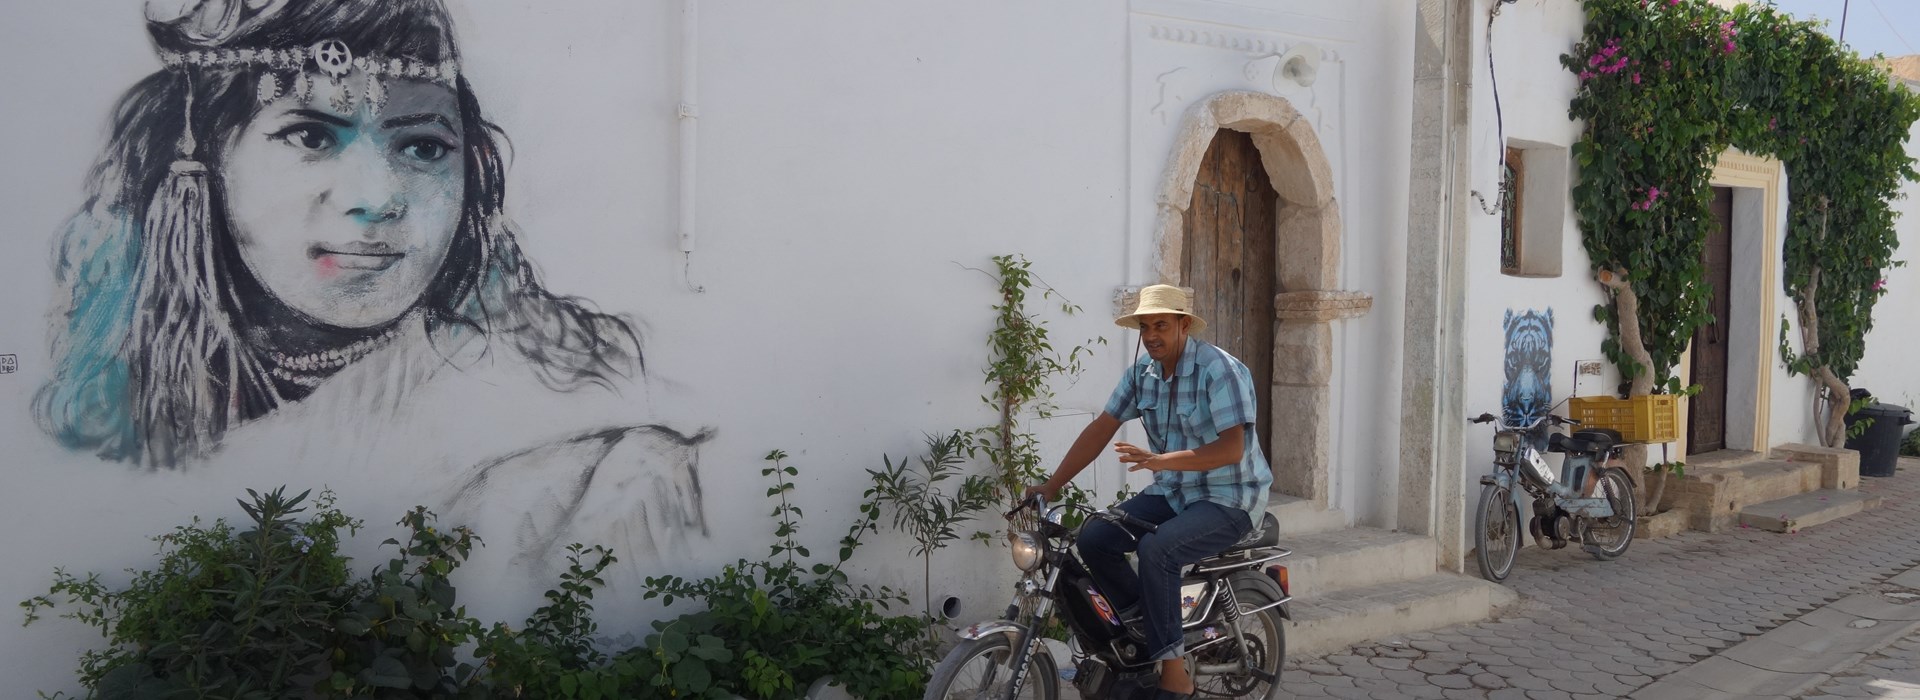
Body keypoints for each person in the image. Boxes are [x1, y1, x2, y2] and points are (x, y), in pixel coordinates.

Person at [32, 0, 706, 592]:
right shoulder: (138, 398)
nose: (378, 199)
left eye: (421, 148)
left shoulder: (595, 469)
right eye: (312, 135)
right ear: (199, 163)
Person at [1028, 284, 1272, 698]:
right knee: (1095, 537)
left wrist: (1164, 461)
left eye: (1161, 324)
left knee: (1157, 551)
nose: (1152, 335)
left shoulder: (1220, 369)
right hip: (1175, 492)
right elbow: (1100, 430)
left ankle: (1174, 676)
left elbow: (1232, 449)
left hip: (1231, 496)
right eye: (1145, 327)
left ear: (1183, 325)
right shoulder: (1142, 375)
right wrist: (1050, 486)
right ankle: (1145, 629)